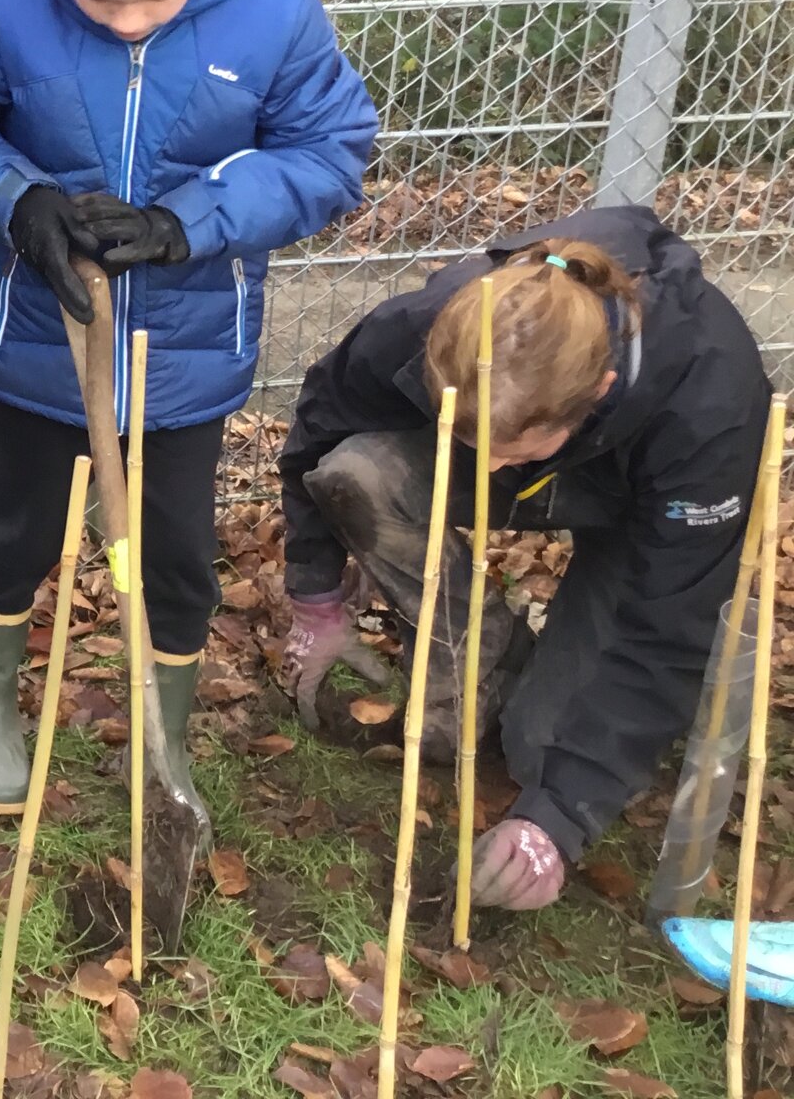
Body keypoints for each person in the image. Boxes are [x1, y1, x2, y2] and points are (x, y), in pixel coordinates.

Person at [0, 0, 377, 816]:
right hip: (34, 337)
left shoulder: (275, 10)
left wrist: (187, 221)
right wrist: (17, 199)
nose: (116, 18)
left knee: (175, 557)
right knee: (15, 529)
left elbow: (327, 151)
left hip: (183, 358)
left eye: (147, 0)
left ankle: (163, 738)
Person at [280, 209, 770, 910]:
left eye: (510, 445)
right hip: (528, 446)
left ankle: (554, 727)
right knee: (356, 475)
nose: (485, 465)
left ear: (597, 394)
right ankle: (484, 658)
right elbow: (315, 434)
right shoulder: (430, 323)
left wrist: (559, 819)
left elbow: (667, 629)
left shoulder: (708, 408)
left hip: (634, 505)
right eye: (472, 436)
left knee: (543, 752)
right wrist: (316, 597)